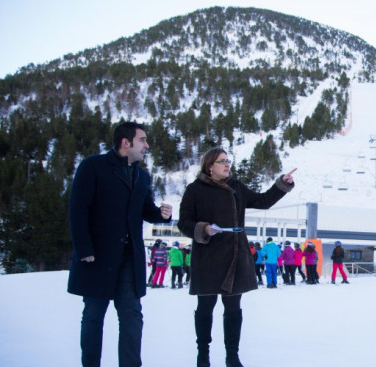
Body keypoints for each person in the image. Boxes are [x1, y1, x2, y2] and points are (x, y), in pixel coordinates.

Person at [67, 121, 172, 367]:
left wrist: (161, 215)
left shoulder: (142, 175)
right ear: (126, 142)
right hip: (97, 257)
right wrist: (84, 249)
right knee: (93, 316)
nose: (147, 145)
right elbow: (77, 209)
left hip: (128, 258)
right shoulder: (93, 166)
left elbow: (145, 210)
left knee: (132, 317)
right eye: (142, 140)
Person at [177, 147, 295, 367]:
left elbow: (263, 201)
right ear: (210, 166)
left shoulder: (236, 187)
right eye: (222, 161)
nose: (227, 164)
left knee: (233, 309)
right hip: (208, 257)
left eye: (228, 161)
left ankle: (232, 355)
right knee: (205, 307)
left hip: (234, 255)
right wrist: (203, 229)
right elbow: (183, 222)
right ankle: (203, 354)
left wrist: (283, 184)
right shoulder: (195, 189)